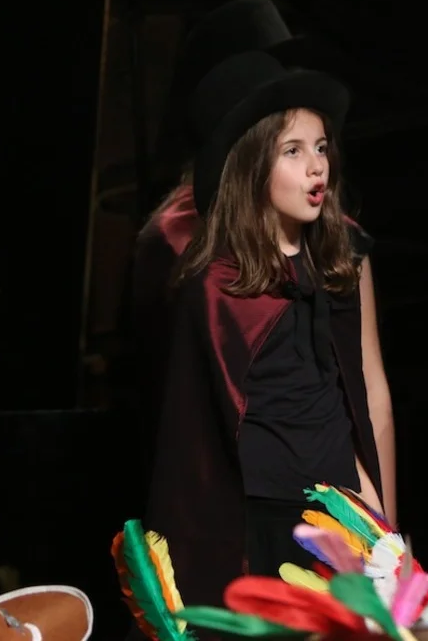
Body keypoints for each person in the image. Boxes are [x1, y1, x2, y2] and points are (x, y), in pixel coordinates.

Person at [142, 50, 391, 619]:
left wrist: (379, 522)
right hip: (260, 521)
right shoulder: (217, 284)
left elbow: (357, 399)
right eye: (293, 151)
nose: (317, 167)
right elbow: (193, 438)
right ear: (253, 167)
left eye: (321, 148)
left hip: (337, 510)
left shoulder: (335, 264)